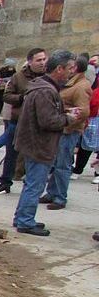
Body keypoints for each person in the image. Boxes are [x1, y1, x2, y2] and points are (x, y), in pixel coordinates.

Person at [12, 50, 80, 236]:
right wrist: (68, 118)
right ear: (59, 69)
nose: (71, 72)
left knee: (32, 184)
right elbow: (48, 121)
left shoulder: (43, 88)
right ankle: (25, 221)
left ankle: (22, 217)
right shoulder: (45, 90)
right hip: (39, 145)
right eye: (69, 68)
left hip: (34, 143)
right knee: (35, 184)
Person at [0, 48, 47, 194]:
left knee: (34, 156)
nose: (42, 62)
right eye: (39, 60)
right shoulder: (19, 77)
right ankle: (5, 182)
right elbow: (7, 95)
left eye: (44, 59)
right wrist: (21, 98)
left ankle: (32, 185)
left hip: (38, 123)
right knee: (11, 154)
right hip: (18, 121)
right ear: (30, 61)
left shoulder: (47, 78)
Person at [38, 56, 91, 210]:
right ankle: (52, 192)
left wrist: (65, 119)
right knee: (56, 163)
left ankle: (60, 197)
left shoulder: (80, 86)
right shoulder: (70, 83)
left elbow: (83, 111)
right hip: (62, 129)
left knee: (63, 164)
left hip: (69, 131)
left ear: (76, 69)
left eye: (71, 67)